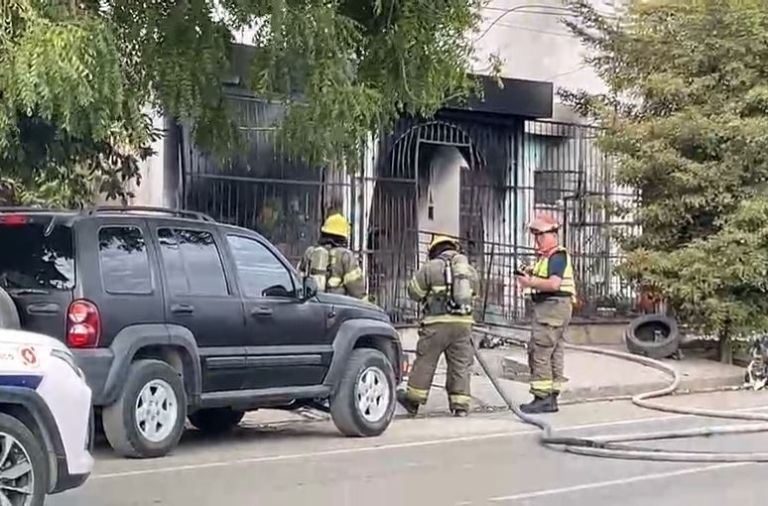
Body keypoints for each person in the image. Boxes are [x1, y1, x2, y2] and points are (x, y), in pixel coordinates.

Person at [398, 235, 479, 417]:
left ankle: (413, 401)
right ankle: (460, 406)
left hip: (436, 324)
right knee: (460, 366)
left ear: (435, 250)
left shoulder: (430, 268)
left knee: (425, 362)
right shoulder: (469, 271)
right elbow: (475, 296)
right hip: (463, 325)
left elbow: (414, 293)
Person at [516, 213, 576, 414]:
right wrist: (530, 276)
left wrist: (529, 282)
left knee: (540, 350)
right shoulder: (548, 257)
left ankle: (542, 398)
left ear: (551, 234)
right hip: (555, 307)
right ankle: (551, 397)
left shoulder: (557, 256)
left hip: (552, 307)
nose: (536, 240)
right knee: (553, 351)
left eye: (539, 235)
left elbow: (553, 284)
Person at [298, 213, 366, 299]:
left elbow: (298, 278)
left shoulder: (310, 252)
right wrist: (369, 305)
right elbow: (356, 287)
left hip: (313, 304)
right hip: (336, 306)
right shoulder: (345, 256)